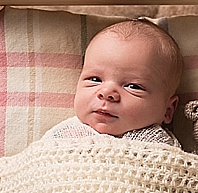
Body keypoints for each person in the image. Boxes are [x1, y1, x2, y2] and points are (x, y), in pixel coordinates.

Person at [42, 19, 183, 146]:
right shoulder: (64, 134)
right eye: (95, 79)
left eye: (133, 87)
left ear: (168, 110)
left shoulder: (158, 144)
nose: (107, 93)